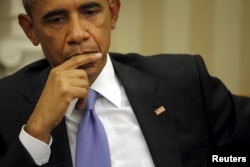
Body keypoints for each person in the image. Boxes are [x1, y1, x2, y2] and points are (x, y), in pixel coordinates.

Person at [0, 0, 249, 166]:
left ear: (114, 12)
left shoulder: (183, 81)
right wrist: (36, 132)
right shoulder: (5, 105)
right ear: (31, 29)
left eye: (90, 12)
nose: (78, 34)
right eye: (56, 19)